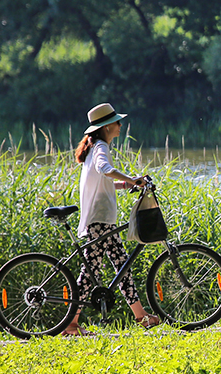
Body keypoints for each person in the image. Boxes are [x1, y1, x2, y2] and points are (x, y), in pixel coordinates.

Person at [66, 102, 160, 336]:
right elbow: (105, 169)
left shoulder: (94, 147)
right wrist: (134, 178)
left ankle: (140, 316)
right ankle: (70, 324)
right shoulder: (100, 147)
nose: (120, 125)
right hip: (99, 219)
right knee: (91, 274)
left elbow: (105, 181)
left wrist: (127, 183)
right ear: (107, 126)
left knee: (121, 266)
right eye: (117, 122)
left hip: (102, 219)